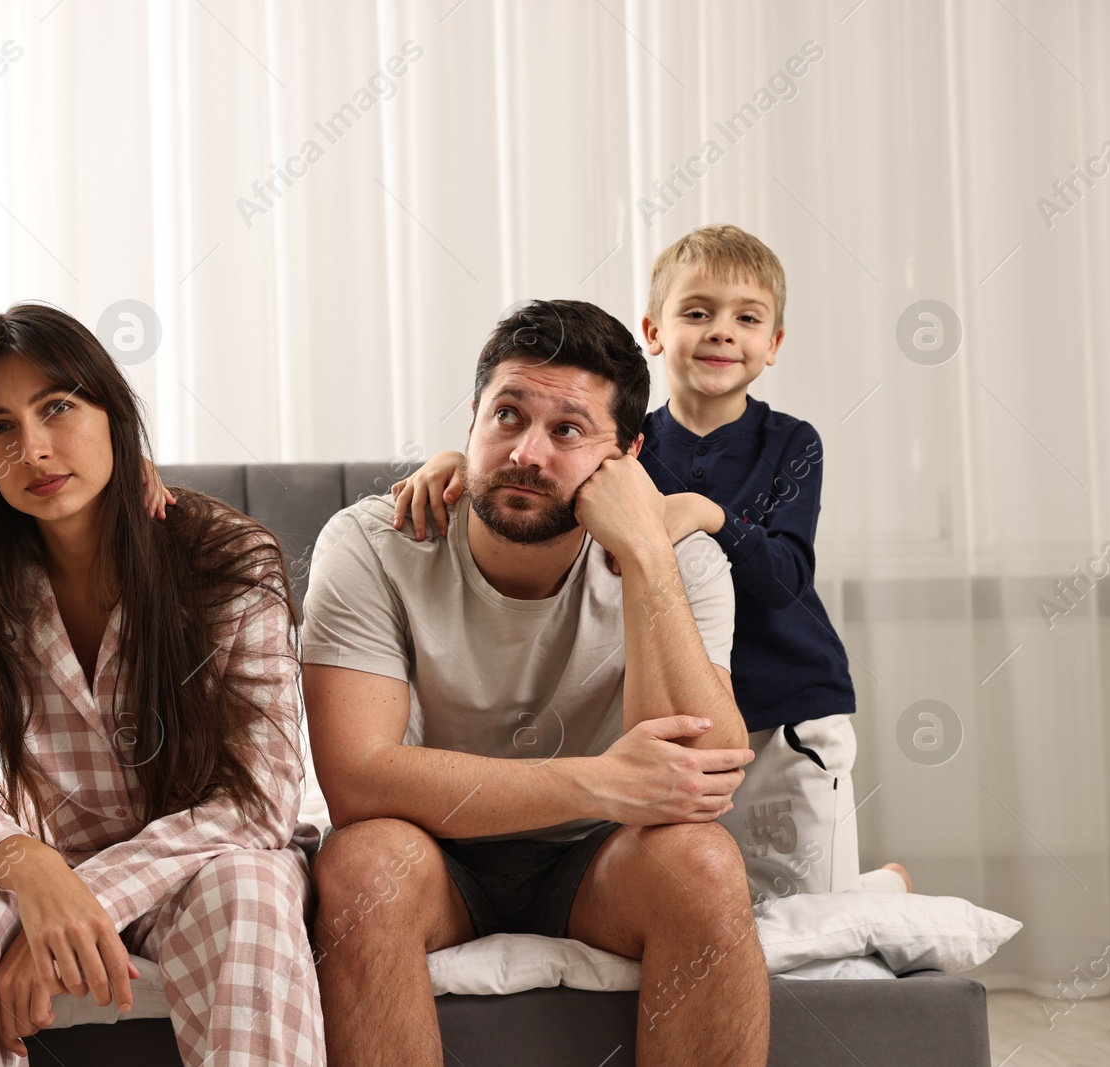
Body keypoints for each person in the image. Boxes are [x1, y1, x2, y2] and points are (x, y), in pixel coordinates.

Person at [302, 299, 768, 1067]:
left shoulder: (681, 558)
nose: (526, 452)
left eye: (569, 430)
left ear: (626, 456)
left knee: (704, 862)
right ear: (473, 419)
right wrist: (601, 783)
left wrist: (646, 556)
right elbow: (357, 779)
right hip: (437, 856)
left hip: (598, 865)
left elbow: (703, 775)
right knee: (361, 862)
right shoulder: (372, 543)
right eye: (507, 415)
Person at [396, 224, 911, 903]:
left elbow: (786, 578)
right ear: (655, 329)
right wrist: (456, 464)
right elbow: (541, 480)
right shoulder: (628, 442)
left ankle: (880, 893)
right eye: (697, 312)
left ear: (774, 345)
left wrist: (707, 512)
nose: (722, 332)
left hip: (786, 708)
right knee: (723, 897)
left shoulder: (792, 444)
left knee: (803, 909)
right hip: (681, 703)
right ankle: (874, 887)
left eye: (747, 318)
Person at [0, 302, 324, 1067]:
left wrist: (87, 900)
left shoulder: (229, 558)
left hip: (201, 863)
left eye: (58, 407)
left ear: (112, 413)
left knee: (249, 893)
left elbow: (260, 795)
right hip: (42, 859)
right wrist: (32, 867)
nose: (35, 449)